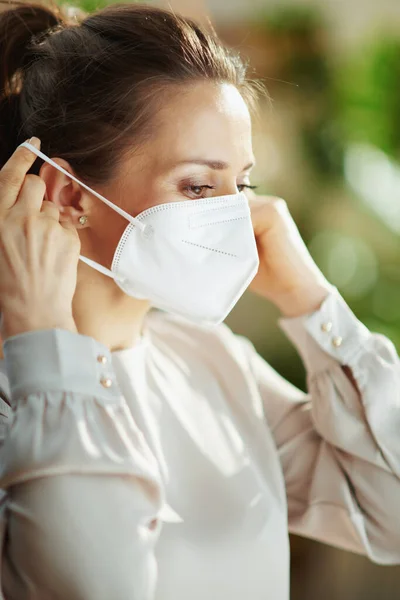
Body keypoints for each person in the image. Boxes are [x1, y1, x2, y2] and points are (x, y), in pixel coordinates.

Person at [0, 3, 399, 599]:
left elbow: (390, 512)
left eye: (241, 185)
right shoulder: (16, 393)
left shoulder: (211, 359)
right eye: (198, 186)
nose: (233, 215)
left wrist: (313, 301)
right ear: (65, 193)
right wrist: (43, 338)